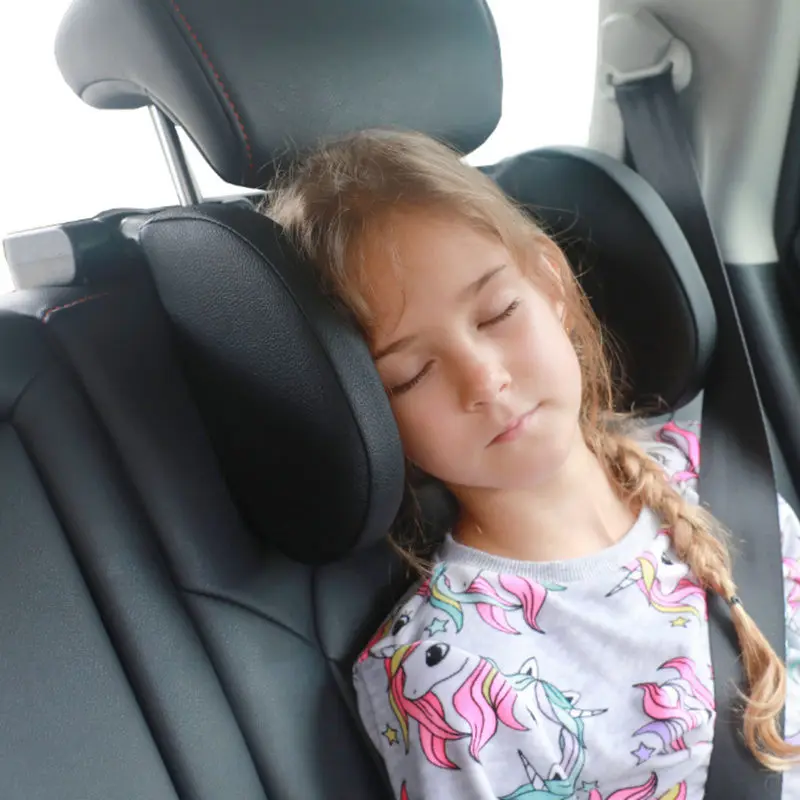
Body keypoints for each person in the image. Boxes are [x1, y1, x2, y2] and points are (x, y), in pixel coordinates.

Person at [265, 129, 800, 799]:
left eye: (498, 313)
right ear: (369, 413)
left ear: (552, 283)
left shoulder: (708, 475)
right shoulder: (452, 676)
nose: (484, 380)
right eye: (413, 374)